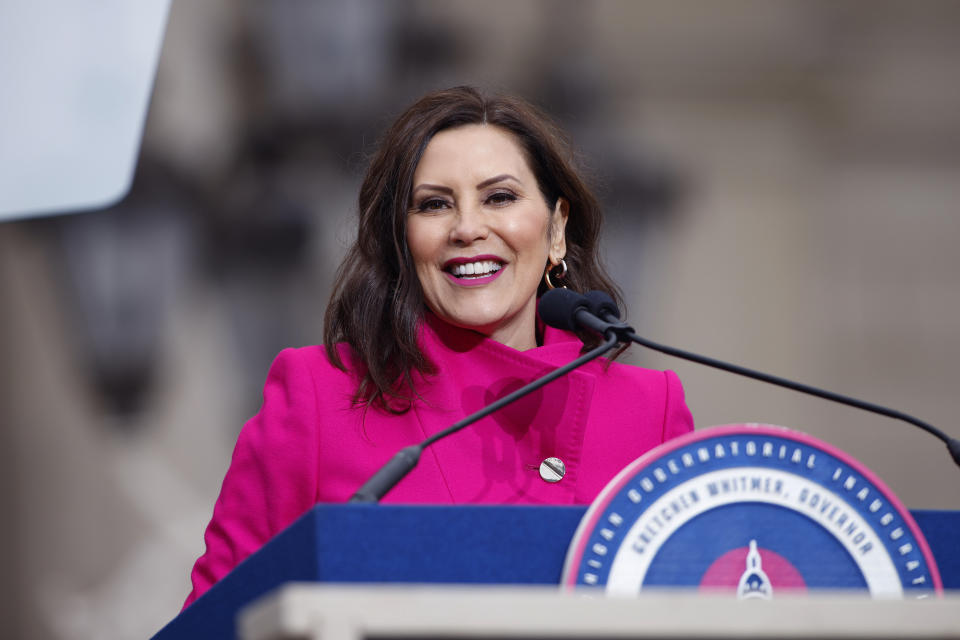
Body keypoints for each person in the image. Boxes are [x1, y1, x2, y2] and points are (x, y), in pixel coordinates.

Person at [183, 86, 694, 607]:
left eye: (499, 197)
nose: (467, 228)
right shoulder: (318, 395)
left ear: (557, 228)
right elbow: (218, 620)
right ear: (402, 239)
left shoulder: (649, 410)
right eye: (434, 205)